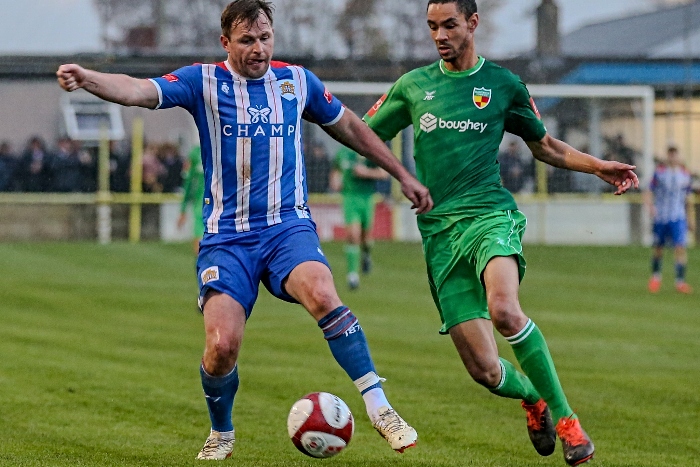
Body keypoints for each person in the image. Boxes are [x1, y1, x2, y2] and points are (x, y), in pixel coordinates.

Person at [56, 0, 432, 460]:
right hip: (227, 238)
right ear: (226, 42)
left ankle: (380, 408)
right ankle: (222, 432)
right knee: (221, 346)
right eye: (248, 40)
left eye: (266, 38)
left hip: (286, 227)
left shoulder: (297, 82)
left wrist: (402, 174)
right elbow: (137, 89)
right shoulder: (203, 82)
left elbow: (350, 126)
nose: (259, 49)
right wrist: (88, 78)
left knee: (322, 292)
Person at [363, 1, 638, 465]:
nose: (439, 35)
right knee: (486, 372)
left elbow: (545, 145)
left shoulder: (504, 85)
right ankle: (534, 398)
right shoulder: (414, 86)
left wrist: (598, 167)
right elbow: (364, 136)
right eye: (432, 27)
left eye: (449, 25)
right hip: (440, 236)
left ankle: (570, 424)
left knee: (506, 311)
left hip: (491, 216)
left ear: (472, 23)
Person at [330, 145, 389, 289]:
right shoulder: (343, 153)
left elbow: (383, 173)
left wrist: (366, 172)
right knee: (352, 235)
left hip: (367, 198)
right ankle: (352, 275)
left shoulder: (369, 150)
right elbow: (335, 170)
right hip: (350, 197)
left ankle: (366, 255)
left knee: (366, 237)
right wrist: (335, 182)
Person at [645, 146, 694, 294]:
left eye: (675, 155)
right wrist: (650, 207)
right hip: (661, 216)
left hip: (677, 217)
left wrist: (691, 219)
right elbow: (648, 191)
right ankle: (655, 277)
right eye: (670, 155)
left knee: (680, 248)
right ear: (667, 156)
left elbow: (688, 198)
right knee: (658, 248)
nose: (673, 158)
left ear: (678, 156)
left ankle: (680, 282)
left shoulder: (685, 175)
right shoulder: (659, 173)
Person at [178, 145, 206, 255]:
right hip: (201, 206)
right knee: (200, 248)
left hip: (224, 206)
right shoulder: (195, 153)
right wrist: (183, 210)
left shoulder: (228, 148)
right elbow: (188, 182)